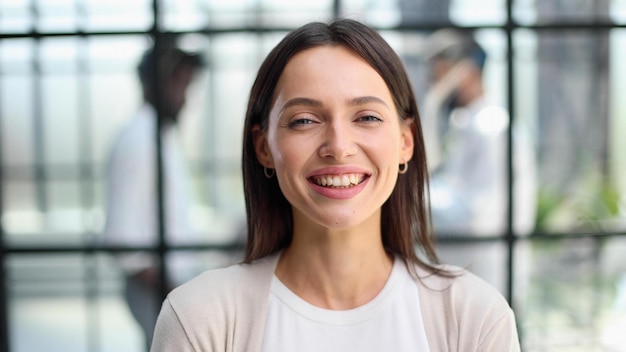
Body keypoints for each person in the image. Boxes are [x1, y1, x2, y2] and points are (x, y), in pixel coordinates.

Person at [150, 19, 520, 351]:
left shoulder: (474, 318)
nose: (339, 147)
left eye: (367, 117)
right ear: (264, 147)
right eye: (305, 121)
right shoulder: (201, 319)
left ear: (406, 141)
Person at [103, 41, 204, 350]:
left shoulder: (158, 136)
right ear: (153, 83)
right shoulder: (140, 139)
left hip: (167, 287)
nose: (184, 99)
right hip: (156, 289)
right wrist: (176, 293)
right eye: (179, 85)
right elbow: (123, 239)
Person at [421, 29, 536, 294]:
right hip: (466, 276)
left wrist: (414, 194)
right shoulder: (469, 125)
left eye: (439, 76)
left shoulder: (491, 129)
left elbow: (476, 215)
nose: (434, 87)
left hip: (486, 278)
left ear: (466, 72)